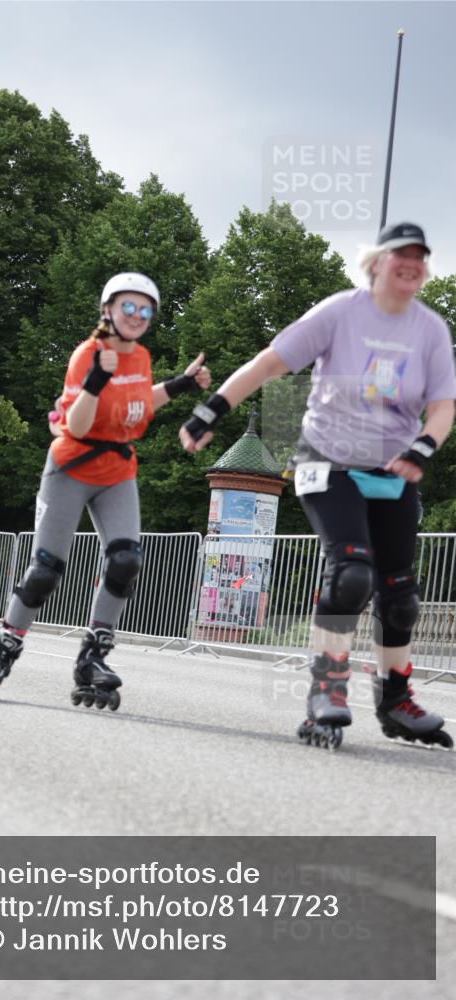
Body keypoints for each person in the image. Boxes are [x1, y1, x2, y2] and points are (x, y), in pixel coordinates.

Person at [179, 222, 455, 749]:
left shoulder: (430, 330)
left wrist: (424, 445)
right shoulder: (340, 312)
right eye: (400, 254)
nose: (411, 263)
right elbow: (269, 363)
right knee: (351, 573)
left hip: (392, 469)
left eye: (420, 256)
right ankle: (326, 688)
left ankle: (396, 699)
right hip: (326, 462)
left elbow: (443, 406)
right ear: (377, 262)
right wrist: (211, 409)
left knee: (400, 594)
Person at [0, 272, 211, 708]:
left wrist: (181, 385)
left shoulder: (141, 357)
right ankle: (4, 646)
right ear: (108, 310)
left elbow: (138, 403)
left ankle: (92, 657)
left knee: (125, 561)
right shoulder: (88, 355)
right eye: (128, 306)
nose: (137, 315)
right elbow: (77, 425)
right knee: (46, 570)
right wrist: (96, 381)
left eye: (145, 309)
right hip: (71, 466)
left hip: (117, 469)